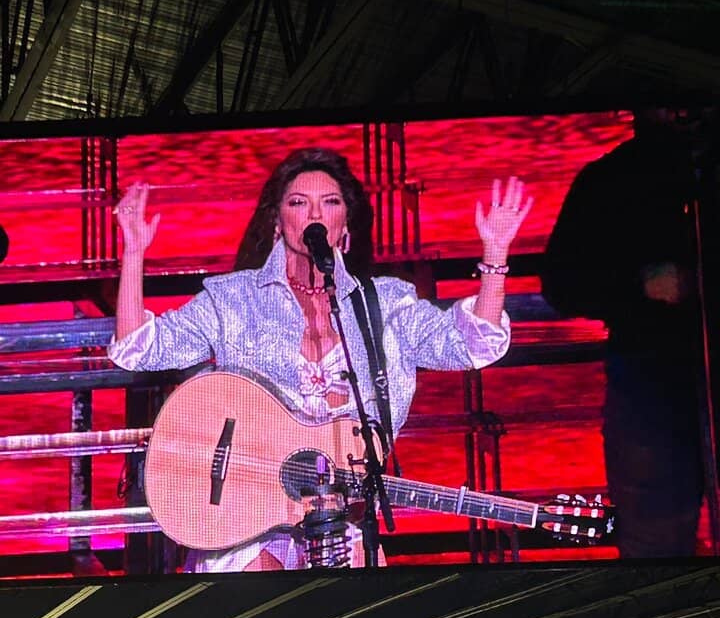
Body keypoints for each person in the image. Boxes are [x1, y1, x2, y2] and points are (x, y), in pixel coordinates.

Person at [108, 146, 532, 572]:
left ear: (344, 224)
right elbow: (138, 348)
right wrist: (133, 252)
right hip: (243, 513)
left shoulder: (387, 304)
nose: (314, 213)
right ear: (278, 222)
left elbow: (471, 345)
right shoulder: (233, 299)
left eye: (329, 203)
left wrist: (495, 258)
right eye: (298, 202)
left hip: (341, 518)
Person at [540, 107, 719, 559]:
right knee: (655, 542)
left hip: (654, 380)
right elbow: (563, 283)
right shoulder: (612, 178)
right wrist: (639, 283)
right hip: (652, 381)